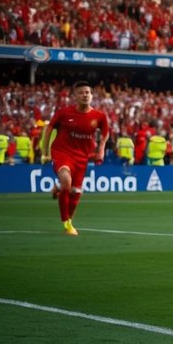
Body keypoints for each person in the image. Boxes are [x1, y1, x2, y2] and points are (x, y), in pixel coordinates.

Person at [38, 81, 110, 236]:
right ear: (74, 96)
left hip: (82, 157)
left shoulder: (99, 116)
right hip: (62, 152)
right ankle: (66, 223)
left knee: (76, 191)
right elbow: (50, 127)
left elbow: (105, 133)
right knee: (66, 181)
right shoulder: (64, 113)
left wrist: (101, 150)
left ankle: (68, 217)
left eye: (87, 92)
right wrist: (44, 150)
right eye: (81, 92)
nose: (85, 95)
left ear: (92, 96)